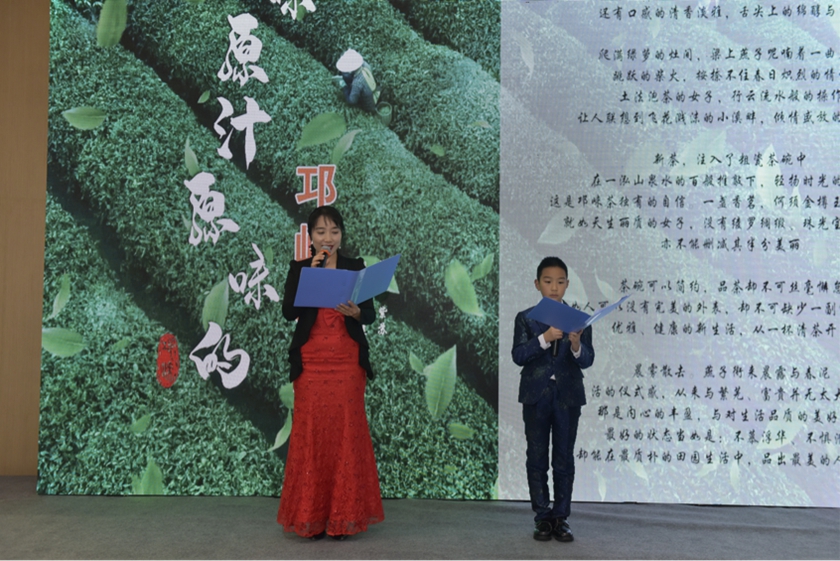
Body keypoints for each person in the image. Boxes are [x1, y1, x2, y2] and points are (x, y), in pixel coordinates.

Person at [277, 206, 384, 540]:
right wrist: (309, 277)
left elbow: (369, 315)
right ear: (310, 236)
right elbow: (288, 312)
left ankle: (344, 517)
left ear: (341, 234)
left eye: (334, 231)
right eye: (321, 231)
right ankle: (310, 517)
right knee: (311, 433)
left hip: (347, 361)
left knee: (346, 433)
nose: (328, 238)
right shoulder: (300, 268)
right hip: (311, 361)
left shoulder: (355, 267)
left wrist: (356, 312)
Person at [511, 257, 594, 543]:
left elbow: (587, 360)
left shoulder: (579, 320)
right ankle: (542, 517)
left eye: (560, 282)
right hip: (536, 396)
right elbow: (518, 355)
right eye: (548, 281)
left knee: (563, 458)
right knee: (536, 458)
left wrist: (576, 345)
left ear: (567, 284)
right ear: (537, 284)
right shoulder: (526, 318)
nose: (554, 287)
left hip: (568, 397)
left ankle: (561, 518)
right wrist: (544, 338)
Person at [335, 49, 379, 113]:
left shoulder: (357, 83)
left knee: (351, 96)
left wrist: (344, 87)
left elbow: (352, 101)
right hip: (372, 90)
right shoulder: (365, 64)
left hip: (369, 104)